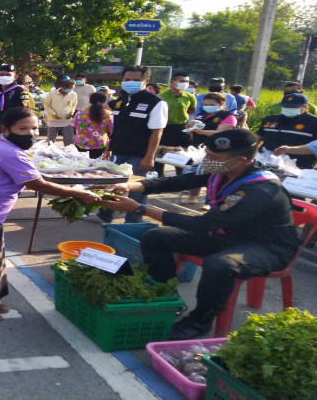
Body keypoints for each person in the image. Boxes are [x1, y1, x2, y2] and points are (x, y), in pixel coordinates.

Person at [101, 129, 300, 340]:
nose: (207, 160)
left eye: (213, 157)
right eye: (207, 154)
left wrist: (140, 209)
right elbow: (175, 182)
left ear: (240, 160)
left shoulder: (261, 190)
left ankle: (199, 322)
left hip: (266, 247)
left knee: (220, 265)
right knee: (155, 237)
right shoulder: (222, 170)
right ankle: (167, 298)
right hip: (227, 235)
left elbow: (202, 224)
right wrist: (130, 185)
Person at [0, 107, 101, 321]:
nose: (31, 133)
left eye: (34, 128)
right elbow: (37, 184)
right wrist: (79, 194)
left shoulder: (10, 148)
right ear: (5, 130)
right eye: (23, 128)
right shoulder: (8, 152)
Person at [97, 65, 168, 224]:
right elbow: (115, 129)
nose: (130, 83)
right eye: (127, 80)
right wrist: (108, 148)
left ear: (146, 81)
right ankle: (105, 216)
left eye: (136, 80)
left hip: (139, 155)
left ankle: (133, 222)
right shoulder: (119, 102)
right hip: (118, 151)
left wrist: (149, 158)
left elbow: (157, 132)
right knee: (112, 186)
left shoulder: (156, 103)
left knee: (137, 189)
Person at [181, 93, 239, 204]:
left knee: (213, 176)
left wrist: (201, 131)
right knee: (196, 173)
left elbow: (221, 132)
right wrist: (190, 127)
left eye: (211, 104)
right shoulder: (202, 115)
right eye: (205, 104)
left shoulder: (228, 117)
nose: (208, 106)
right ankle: (192, 197)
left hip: (218, 150)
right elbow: (195, 126)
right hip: (198, 149)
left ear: (222, 104)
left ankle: (209, 202)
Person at [257, 92, 317, 169]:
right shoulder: (270, 119)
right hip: (267, 164)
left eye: (293, 107)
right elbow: (259, 138)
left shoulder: (314, 122)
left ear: (305, 107)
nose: (289, 109)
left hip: (301, 167)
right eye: (285, 106)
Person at [155, 72, 197, 176]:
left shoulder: (190, 97)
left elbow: (191, 110)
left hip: (181, 128)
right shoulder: (161, 96)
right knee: (160, 155)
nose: (185, 83)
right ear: (172, 82)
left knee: (182, 156)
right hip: (165, 128)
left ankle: (180, 178)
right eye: (181, 81)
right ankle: (160, 179)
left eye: (186, 81)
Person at [72, 93, 113, 159]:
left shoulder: (80, 112)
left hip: (81, 143)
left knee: (81, 166)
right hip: (99, 145)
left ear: (90, 101)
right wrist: (108, 149)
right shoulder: (108, 114)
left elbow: (73, 125)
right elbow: (112, 131)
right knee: (96, 167)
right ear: (105, 102)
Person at [45, 78, 78, 146]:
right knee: (51, 141)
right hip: (53, 121)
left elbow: (73, 105)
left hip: (66, 121)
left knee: (69, 141)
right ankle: (50, 154)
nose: (71, 90)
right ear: (63, 87)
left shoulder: (73, 94)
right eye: (70, 88)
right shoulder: (52, 94)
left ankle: (69, 155)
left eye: (73, 88)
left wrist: (71, 113)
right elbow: (46, 106)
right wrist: (54, 114)